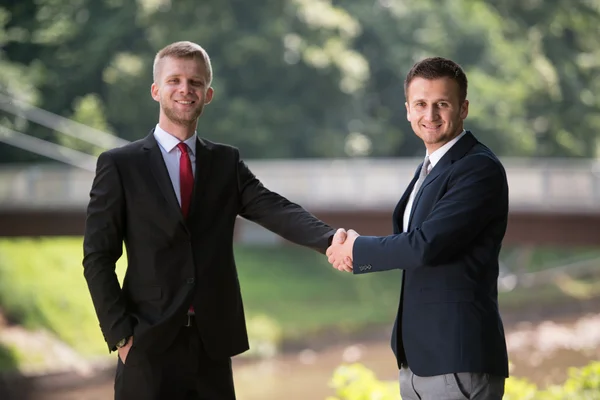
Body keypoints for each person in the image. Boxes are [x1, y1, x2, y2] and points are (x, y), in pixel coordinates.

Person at [82, 40, 347, 400]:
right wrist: (121, 336)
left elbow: (274, 209)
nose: (185, 90)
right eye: (174, 80)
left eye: (195, 82)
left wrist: (332, 240)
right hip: (147, 347)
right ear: (156, 90)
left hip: (212, 346)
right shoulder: (120, 165)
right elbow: (97, 257)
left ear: (208, 94)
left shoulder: (225, 163)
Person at [326, 57, 509, 399]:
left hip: (457, 360)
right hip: (419, 362)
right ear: (407, 109)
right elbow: (412, 244)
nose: (431, 115)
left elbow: (425, 245)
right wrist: (354, 248)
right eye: (421, 104)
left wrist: (356, 249)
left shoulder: (477, 169)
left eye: (442, 104)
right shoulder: (430, 166)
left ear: (463, 107)